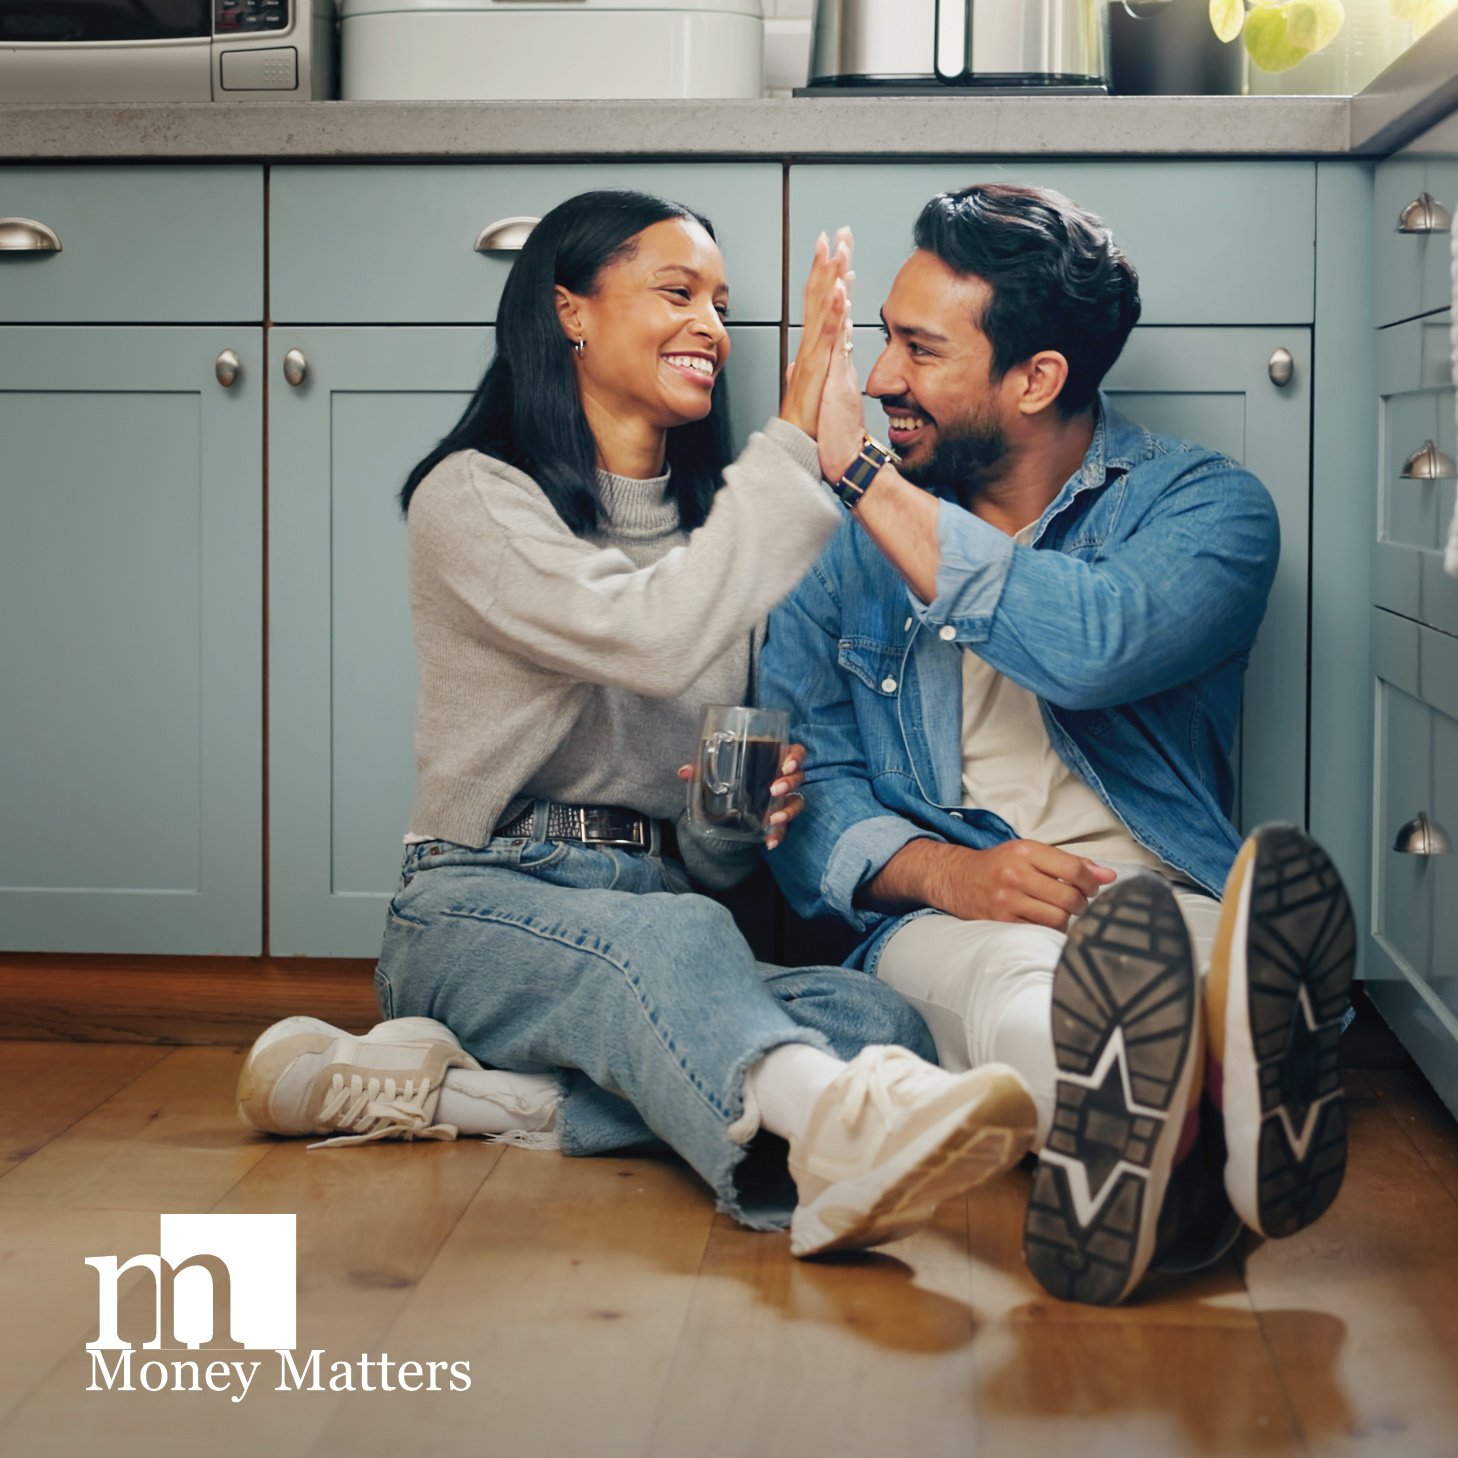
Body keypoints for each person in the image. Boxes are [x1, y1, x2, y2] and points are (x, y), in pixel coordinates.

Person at [235, 189, 1040, 1259]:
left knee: (880, 1025)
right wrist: (799, 444)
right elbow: (650, 635)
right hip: (481, 907)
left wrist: (732, 815)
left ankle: (481, 1103)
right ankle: (830, 1137)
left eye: (721, 302)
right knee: (682, 948)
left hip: (659, 913)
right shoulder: (475, 499)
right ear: (570, 310)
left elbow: (703, 859)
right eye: (679, 292)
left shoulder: (724, 537)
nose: (712, 325)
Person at [761, 184, 1356, 1302]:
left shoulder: (1208, 510)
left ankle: (1207, 1090)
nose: (879, 379)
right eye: (882, 339)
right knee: (1014, 982)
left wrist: (856, 474)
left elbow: (1092, 643)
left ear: (1035, 379)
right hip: (949, 916)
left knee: (1197, 960)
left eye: (918, 349)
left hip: (1154, 892)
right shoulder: (834, 552)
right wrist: (958, 874)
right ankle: (1202, 1133)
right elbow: (806, 809)